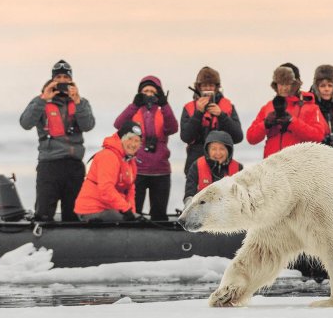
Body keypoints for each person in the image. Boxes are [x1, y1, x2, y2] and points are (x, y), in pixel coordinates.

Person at [19, 59, 95, 221]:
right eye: (58, 78)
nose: (62, 81)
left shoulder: (81, 102)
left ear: (71, 81)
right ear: (52, 80)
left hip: (74, 166)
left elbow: (88, 126)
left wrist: (77, 102)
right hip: (49, 165)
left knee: (73, 215)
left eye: (65, 78)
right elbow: (25, 123)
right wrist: (42, 99)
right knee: (44, 213)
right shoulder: (40, 101)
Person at [113, 76, 179, 221]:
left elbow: (173, 128)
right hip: (137, 170)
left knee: (159, 214)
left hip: (161, 171)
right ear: (139, 93)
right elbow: (118, 125)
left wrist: (165, 105)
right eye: (145, 91)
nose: (149, 94)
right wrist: (134, 105)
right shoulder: (134, 111)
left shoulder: (163, 111)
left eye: (152, 91)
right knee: (134, 212)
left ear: (159, 94)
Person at [246, 63, 327, 158]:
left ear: (296, 84)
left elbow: (318, 136)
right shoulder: (268, 107)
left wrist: (292, 122)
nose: (284, 88)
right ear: (276, 84)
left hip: (298, 167)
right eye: (281, 83)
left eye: (287, 83)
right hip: (272, 166)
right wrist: (265, 124)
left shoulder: (311, 107)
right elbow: (251, 138)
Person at [74, 121, 142, 222]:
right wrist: (125, 209)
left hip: (111, 208)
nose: (133, 144)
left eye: (137, 141)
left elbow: (130, 190)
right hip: (92, 209)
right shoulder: (108, 156)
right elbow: (106, 189)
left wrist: (131, 212)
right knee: (129, 221)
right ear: (121, 139)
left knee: (136, 221)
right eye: (129, 139)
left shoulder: (130, 161)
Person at [180, 66, 243, 174]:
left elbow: (238, 137)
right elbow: (186, 137)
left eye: (211, 85)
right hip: (196, 167)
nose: (208, 89)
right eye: (204, 86)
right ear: (198, 88)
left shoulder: (227, 107)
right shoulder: (189, 108)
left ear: (216, 87)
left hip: (222, 167)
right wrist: (198, 114)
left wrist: (221, 115)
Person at [183, 130, 243, 203]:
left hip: (229, 211)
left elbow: (244, 196)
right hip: (202, 211)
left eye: (222, 149)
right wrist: (188, 203)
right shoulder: (196, 166)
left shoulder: (239, 168)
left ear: (229, 151)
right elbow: (189, 193)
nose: (218, 153)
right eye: (213, 149)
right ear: (207, 151)